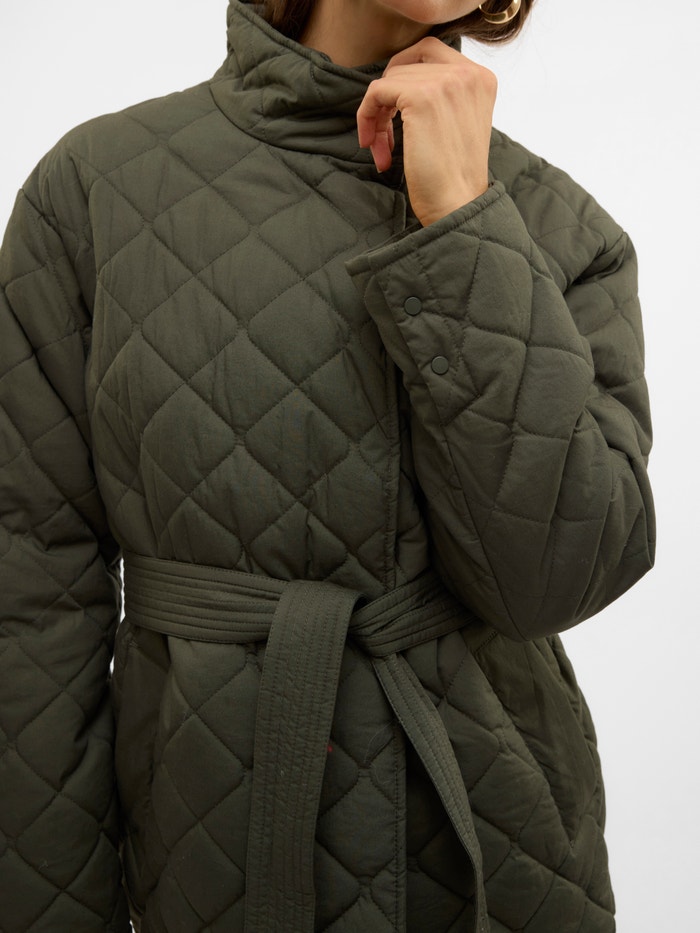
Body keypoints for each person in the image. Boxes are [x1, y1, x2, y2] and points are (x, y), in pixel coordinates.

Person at [0, 0, 655, 930]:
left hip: (500, 865)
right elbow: (30, 609)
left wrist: (464, 222)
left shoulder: (565, 232)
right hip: (209, 863)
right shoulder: (90, 194)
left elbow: (556, 576)